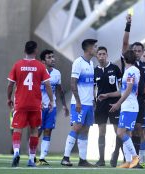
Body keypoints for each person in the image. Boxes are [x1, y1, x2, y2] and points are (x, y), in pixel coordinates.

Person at [7, 41, 54, 167]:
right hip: (35, 104)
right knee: (34, 131)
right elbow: (48, 85)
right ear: (35, 51)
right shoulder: (40, 66)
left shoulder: (17, 65)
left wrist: (8, 98)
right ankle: (31, 159)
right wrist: (51, 100)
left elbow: (10, 84)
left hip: (20, 103)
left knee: (18, 128)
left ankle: (16, 152)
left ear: (25, 50)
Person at [61, 39, 97, 167]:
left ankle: (82, 160)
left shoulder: (91, 63)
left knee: (85, 130)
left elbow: (91, 85)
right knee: (76, 127)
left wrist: (93, 100)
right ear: (88, 49)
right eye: (94, 47)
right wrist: (77, 101)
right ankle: (65, 158)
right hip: (79, 103)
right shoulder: (78, 62)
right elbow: (73, 83)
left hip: (88, 103)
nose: (96, 49)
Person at [121, 14, 145, 167]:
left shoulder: (143, 66)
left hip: (137, 100)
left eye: (139, 50)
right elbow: (125, 43)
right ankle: (129, 160)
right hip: (127, 98)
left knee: (137, 130)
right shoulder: (127, 62)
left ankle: (135, 160)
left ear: (142, 52)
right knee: (126, 131)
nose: (137, 52)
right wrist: (128, 25)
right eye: (135, 50)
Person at [36, 49, 69, 166]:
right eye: (49, 57)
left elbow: (60, 90)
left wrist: (64, 105)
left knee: (48, 130)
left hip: (51, 107)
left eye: (53, 57)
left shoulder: (57, 73)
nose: (52, 59)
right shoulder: (38, 73)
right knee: (37, 131)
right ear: (43, 61)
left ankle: (42, 158)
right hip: (39, 107)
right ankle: (32, 155)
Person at [109, 50, 140, 168]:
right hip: (128, 106)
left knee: (120, 132)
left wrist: (117, 103)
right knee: (127, 133)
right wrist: (108, 95)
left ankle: (134, 157)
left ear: (124, 59)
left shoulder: (131, 71)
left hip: (129, 106)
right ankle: (129, 161)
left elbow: (128, 89)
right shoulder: (130, 70)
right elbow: (123, 90)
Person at [94, 46, 122, 166]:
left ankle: (115, 155)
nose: (101, 56)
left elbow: (122, 89)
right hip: (100, 105)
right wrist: (94, 102)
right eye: (99, 54)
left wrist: (108, 95)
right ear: (97, 56)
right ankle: (101, 159)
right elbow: (93, 89)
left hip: (114, 104)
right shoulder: (94, 70)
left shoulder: (115, 68)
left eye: (103, 54)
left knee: (118, 131)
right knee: (101, 131)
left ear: (107, 55)